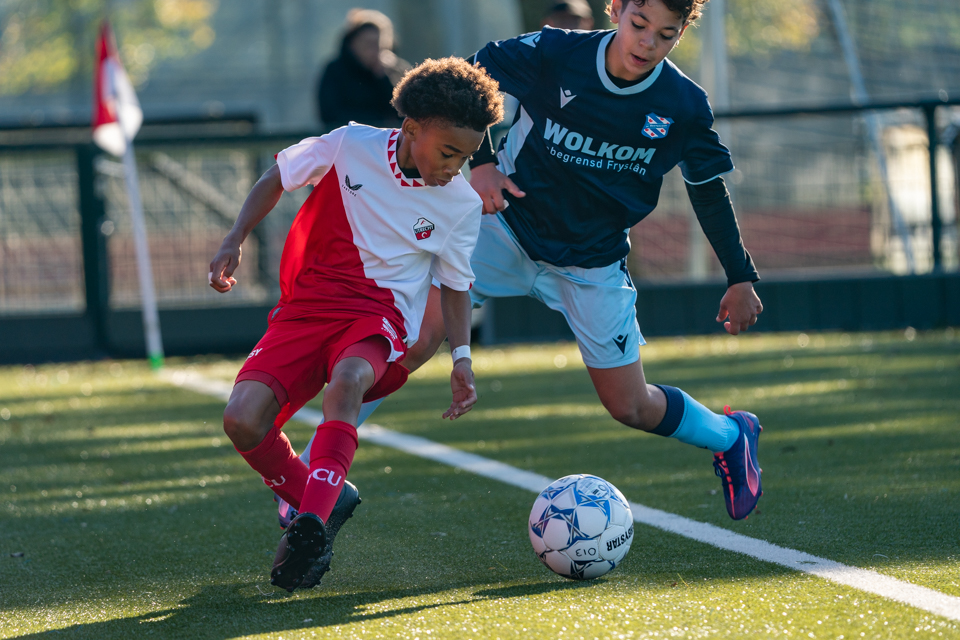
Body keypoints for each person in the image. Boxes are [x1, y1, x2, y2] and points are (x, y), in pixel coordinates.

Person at [282, 0, 764, 528]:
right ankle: (309, 481)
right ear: (617, 10)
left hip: (592, 262)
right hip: (504, 231)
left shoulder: (684, 103)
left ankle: (733, 435)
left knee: (630, 407)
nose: (647, 43)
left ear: (680, 34)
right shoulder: (557, 51)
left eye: (666, 35)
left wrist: (740, 276)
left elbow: (708, 190)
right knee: (408, 343)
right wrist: (484, 165)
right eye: (639, 24)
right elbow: (467, 79)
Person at [210, 57, 504, 592]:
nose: (455, 168)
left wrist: (462, 360)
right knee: (243, 421)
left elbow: (457, 286)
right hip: (306, 308)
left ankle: (313, 526)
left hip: (377, 315)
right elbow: (279, 175)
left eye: (466, 157)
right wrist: (234, 237)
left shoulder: (459, 202)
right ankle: (322, 498)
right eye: (447, 152)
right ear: (411, 129)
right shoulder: (350, 144)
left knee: (348, 382)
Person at [316, 9, 410, 130]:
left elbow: (405, 113)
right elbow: (330, 114)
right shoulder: (335, 71)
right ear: (352, 44)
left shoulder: (396, 69)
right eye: (368, 44)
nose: (373, 50)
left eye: (378, 44)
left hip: (389, 142)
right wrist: (376, 121)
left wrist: (383, 78)